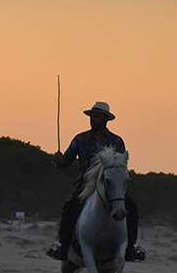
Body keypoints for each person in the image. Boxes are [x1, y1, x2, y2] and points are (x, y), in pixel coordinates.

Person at [46, 101, 145, 262]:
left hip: (111, 186)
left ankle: (132, 247)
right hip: (85, 185)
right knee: (69, 208)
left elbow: (120, 165)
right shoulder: (80, 138)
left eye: (96, 116)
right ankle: (61, 246)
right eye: (92, 116)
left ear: (106, 119)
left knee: (132, 207)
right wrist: (58, 161)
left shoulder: (117, 141)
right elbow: (66, 162)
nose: (93, 119)